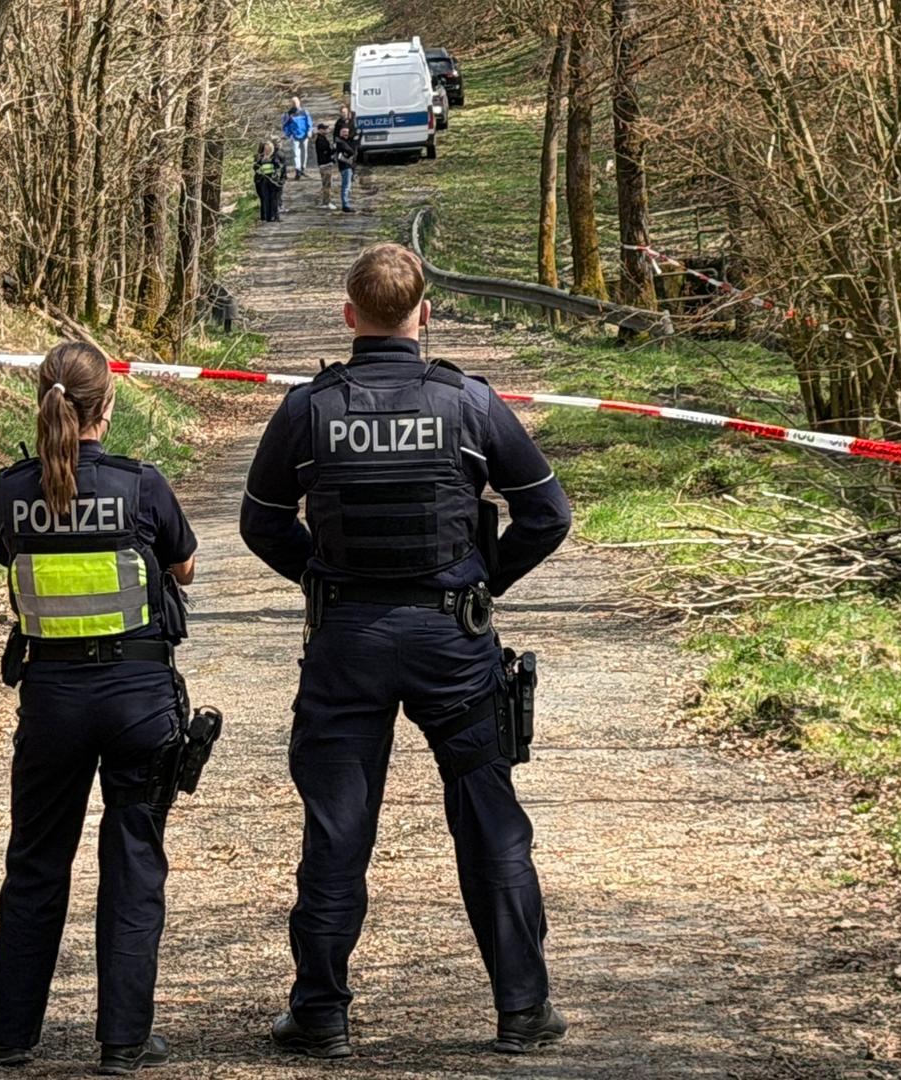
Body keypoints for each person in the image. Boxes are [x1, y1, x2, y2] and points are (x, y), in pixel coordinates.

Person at [239, 244, 573, 1057]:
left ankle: (320, 1015)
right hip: (451, 641)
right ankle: (523, 1011)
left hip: (347, 638)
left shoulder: (308, 409)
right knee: (489, 818)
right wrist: (480, 579)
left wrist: (323, 574)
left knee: (337, 827)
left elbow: (260, 522)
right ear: (425, 314)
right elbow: (548, 515)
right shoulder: (471, 405)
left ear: (348, 315)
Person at [0, 341, 200, 1076]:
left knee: (35, 863)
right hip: (137, 699)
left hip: (52, 702)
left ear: (43, 400)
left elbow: (13, 555)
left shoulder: (10, 492)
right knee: (133, 865)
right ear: (110, 406)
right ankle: (124, 1039)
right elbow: (183, 565)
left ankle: (7, 1034)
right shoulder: (142, 485)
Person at [331, 116, 360, 214]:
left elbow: (355, 146)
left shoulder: (348, 140)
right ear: (340, 132)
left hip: (350, 166)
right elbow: (350, 150)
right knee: (346, 186)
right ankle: (345, 205)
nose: (345, 133)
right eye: (343, 131)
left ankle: (346, 203)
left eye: (346, 131)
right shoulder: (340, 142)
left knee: (348, 186)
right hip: (345, 167)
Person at [281, 95, 313, 179]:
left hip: (304, 135)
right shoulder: (288, 114)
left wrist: (309, 131)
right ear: (291, 103)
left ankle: (303, 168)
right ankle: (298, 170)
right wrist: (289, 134)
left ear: (299, 102)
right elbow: (285, 125)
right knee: (296, 153)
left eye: (296, 102)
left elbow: (309, 122)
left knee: (304, 153)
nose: (295, 104)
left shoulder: (304, 112)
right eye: (293, 102)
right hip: (294, 136)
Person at [253, 140, 285, 222]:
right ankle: (267, 217)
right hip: (264, 181)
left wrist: (278, 177)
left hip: (273, 181)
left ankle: (274, 216)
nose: (266, 151)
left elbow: (279, 168)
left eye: (268, 149)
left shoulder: (274, 158)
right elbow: (256, 167)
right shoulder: (260, 158)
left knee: (274, 199)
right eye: (265, 149)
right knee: (265, 198)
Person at [313, 122, 336, 210]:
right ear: (320, 130)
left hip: (325, 164)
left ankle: (326, 201)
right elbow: (326, 151)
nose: (326, 130)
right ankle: (327, 202)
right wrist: (333, 150)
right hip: (325, 164)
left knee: (326, 184)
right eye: (325, 129)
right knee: (327, 185)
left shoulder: (322, 138)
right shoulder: (320, 139)